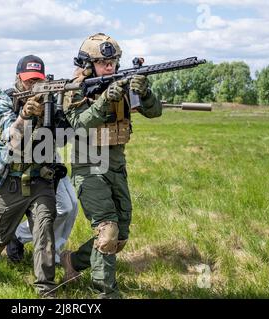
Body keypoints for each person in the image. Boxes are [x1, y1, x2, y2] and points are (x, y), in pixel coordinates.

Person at [61, 33, 162, 298]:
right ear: (87, 65)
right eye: (103, 62)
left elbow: (155, 112)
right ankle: (106, 294)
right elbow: (79, 124)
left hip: (116, 167)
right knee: (107, 232)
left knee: (120, 237)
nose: (110, 67)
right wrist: (106, 100)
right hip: (88, 168)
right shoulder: (75, 88)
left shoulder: (122, 82)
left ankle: (72, 261)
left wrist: (145, 92)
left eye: (113, 61)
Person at [0, 55, 58, 298]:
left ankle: (45, 289)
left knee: (44, 232)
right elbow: (10, 136)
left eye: (37, 81)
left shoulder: (52, 99)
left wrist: (52, 111)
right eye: (28, 81)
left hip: (40, 179)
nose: (32, 86)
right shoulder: (6, 99)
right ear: (17, 79)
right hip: (9, 181)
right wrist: (24, 115)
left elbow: (64, 135)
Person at [7, 175, 78, 265]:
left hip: (59, 165)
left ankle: (53, 250)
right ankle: (19, 234)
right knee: (63, 209)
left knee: (73, 205)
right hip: (45, 167)